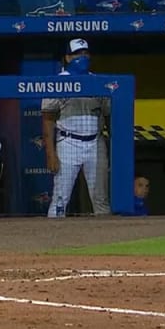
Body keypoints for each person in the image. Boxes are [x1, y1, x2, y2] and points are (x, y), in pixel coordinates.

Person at [42, 37, 111, 218]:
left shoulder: (97, 82)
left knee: (101, 199)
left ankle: (108, 242)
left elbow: (108, 115)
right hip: (68, 142)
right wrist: (50, 154)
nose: (83, 57)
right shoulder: (56, 82)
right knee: (60, 199)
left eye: (85, 53)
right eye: (77, 54)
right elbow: (48, 118)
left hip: (95, 143)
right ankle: (50, 242)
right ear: (67, 57)